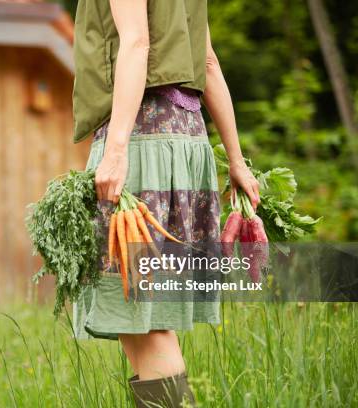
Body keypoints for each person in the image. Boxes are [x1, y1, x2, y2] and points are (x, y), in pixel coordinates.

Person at [71, 0, 260, 407]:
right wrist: (237, 162)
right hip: (187, 145)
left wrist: (117, 149)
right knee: (143, 321)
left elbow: (137, 43)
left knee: (144, 317)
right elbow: (207, 64)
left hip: (144, 147)